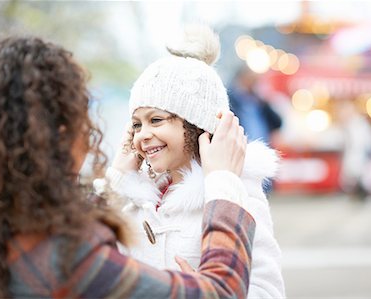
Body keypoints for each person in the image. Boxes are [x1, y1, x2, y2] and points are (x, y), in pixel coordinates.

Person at [0, 36, 255, 298]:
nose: (89, 133)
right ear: (60, 135)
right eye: (82, 118)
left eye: (155, 120)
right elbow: (221, 291)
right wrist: (224, 182)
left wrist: (118, 179)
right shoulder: (66, 256)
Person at [95, 25, 285, 298]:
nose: (143, 135)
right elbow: (79, 260)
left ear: (195, 124)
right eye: (136, 125)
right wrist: (118, 177)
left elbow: (267, 291)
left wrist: (205, 290)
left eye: (156, 120)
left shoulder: (239, 194)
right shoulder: (133, 200)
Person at [228, 65, 283, 145]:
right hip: (243, 146)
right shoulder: (232, 100)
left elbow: (277, 123)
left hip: (263, 146)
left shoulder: (259, 101)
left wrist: (265, 101)